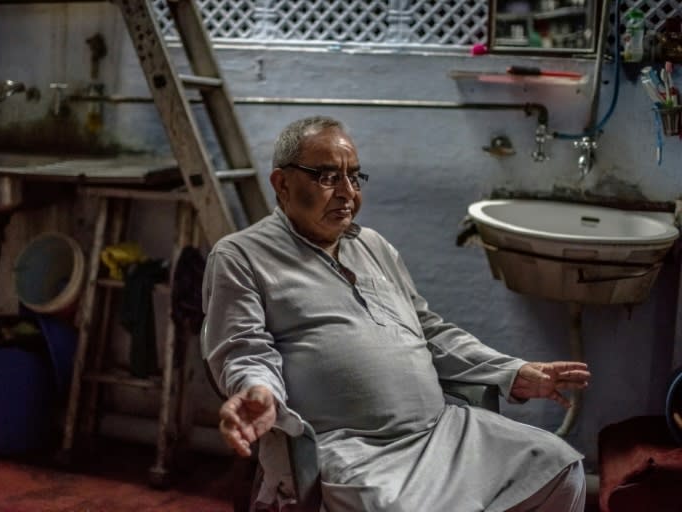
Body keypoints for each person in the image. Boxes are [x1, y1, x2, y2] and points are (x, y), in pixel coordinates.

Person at [202, 115, 590, 511]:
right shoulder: (241, 256)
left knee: (558, 468)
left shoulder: (373, 245)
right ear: (282, 183)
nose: (347, 193)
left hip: (442, 432)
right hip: (354, 448)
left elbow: (430, 332)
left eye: (354, 177)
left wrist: (512, 372)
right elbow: (245, 351)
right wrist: (259, 391)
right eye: (327, 177)